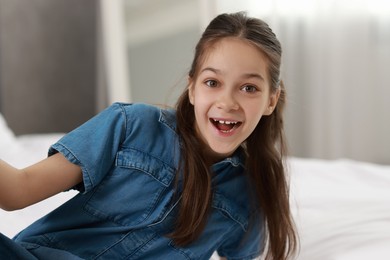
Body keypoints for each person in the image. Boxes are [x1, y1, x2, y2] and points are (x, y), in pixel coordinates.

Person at [0, 12, 298, 260]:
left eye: (249, 88)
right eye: (212, 82)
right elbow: (18, 191)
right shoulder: (132, 125)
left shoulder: (252, 194)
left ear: (271, 100)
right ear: (192, 88)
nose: (228, 102)